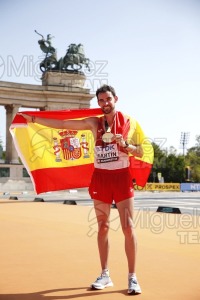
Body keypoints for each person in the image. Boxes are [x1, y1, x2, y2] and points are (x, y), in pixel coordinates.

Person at [21, 84, 143, 295]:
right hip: (101, 179)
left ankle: (132, 277)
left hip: (121, 177)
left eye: (108, 99)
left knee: (128, 227)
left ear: (116, 99)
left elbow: (141, 151)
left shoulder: (129, 124)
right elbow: (64, 123)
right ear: (98, 103)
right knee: (103, 227)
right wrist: (35, 119)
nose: (105, 103)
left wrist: (126, 146)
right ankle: (105, 274)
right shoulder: (94, 123)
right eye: (101, 100)